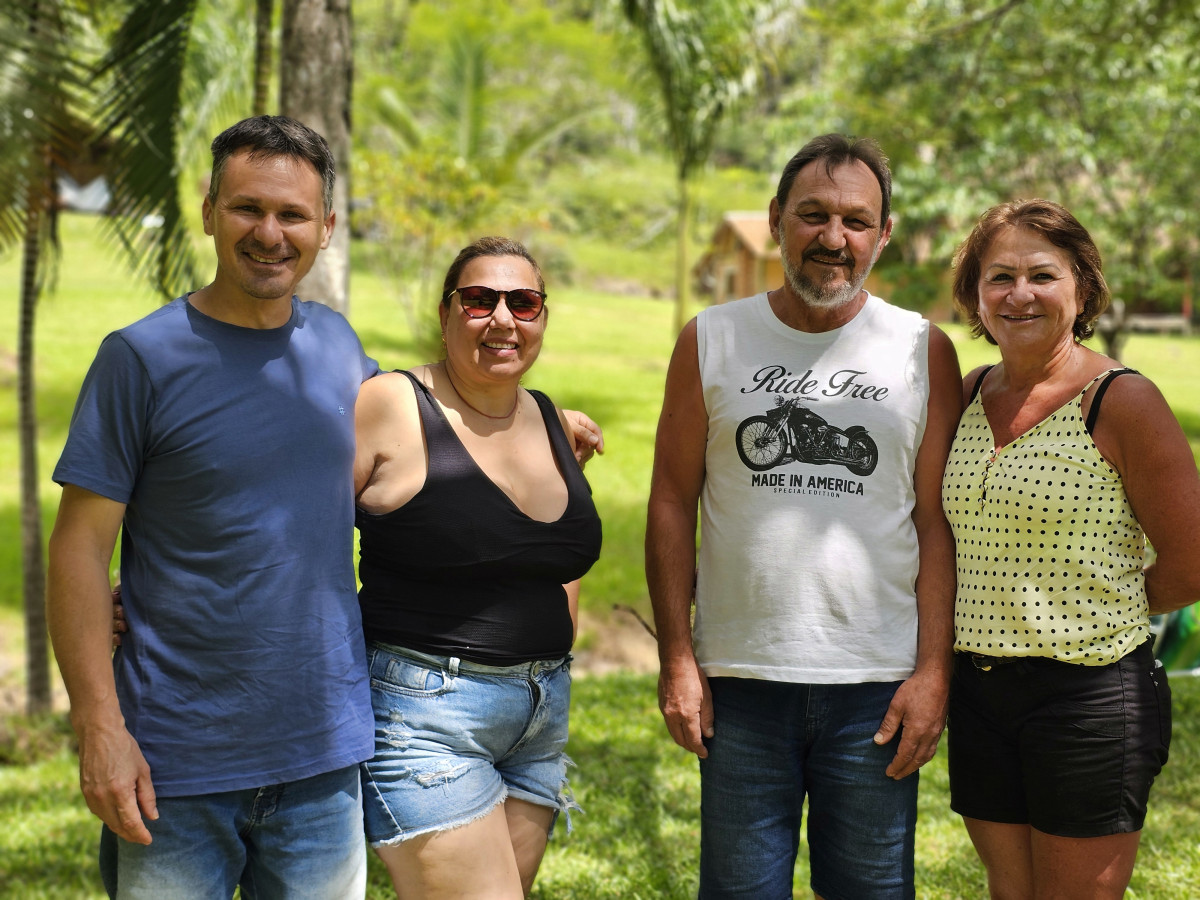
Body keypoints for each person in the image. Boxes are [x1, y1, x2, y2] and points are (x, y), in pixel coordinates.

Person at [48, 116, 601, 900]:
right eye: (247, 208)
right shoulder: (140, 358)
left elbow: (434, 426)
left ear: (327, 229)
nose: (269, 233)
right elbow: (76, 548)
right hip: (175, 756)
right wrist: (99, 729)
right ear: (208, 210)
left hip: (325, 755)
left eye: (293, 215)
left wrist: (542, 429)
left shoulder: (340, 351)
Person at [645, 133, 962, 899]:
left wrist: (931, 671)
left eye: (856, 221)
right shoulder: (711, 338)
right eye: (813, 215)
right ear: (777, 220)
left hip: (875, 686)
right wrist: (679, 659)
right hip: (742, 679)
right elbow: (670, 500)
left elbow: (934, 524)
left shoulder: (924, 349)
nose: (834, 238)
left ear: (883, 235)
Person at [942, 199, 1200, 899]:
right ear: (975, 295)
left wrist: (1099, 603)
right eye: (999, 277)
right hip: (980, 692)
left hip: (1089, 697)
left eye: (1042, 275)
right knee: (1010, 892)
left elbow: (1190, 561)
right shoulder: (965, 396)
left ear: (1081, 289)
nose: (1019, 294)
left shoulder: (1120, 401)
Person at [352, 236, 602, 899]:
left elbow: (552, 559)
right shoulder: (389, 405)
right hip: (425, 714)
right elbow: (302, 534)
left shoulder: (552, 420)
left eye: (523, 303)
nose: (502, 319)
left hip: (539, 714)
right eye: (479, 300)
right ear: (445, 313)